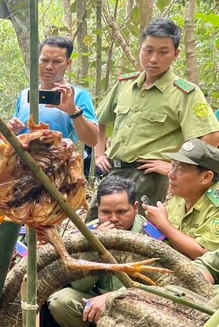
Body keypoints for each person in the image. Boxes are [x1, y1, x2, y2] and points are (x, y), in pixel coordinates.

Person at [93, 18, 219, 212]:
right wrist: (99, 153)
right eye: (148, 50)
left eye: (163, 52)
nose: (153, 59)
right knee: (92, 227)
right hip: (113, 170)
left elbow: (211, 135)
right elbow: (100, 119)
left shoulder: (185, 93)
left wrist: (175, 166)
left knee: (134, 234)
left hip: (147, 176)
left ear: (175, 54)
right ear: (140, 48)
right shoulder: (125, 84)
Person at [45, 176, 155, 327]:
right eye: (106, 212)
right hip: (94, 308)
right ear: (98, 209)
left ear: (135, 208)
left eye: (121, 212)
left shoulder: (151, 235)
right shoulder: (87, 233)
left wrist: (112, 298)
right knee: (61, 300)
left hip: (137, 303)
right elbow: (79, 287)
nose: (113, 219)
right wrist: (96, 248)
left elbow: (156, 284)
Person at [7, 36, 99, 147]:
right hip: (21, 162)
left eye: (56, 61)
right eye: (44, 60)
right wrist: (12, 128)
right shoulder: (25, 94)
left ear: (68, 63)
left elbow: (92, 140)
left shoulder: (76, 95)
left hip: (56, 161)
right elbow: (13, 133)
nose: (49, 66)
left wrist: (73, 111)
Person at [143, 139, 219, 258]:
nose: (170, 175)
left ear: (206, 177)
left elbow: (205, 255)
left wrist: (163, 224)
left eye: (180, 170)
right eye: (172, 166)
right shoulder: (181, 195)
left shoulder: (216, 205)